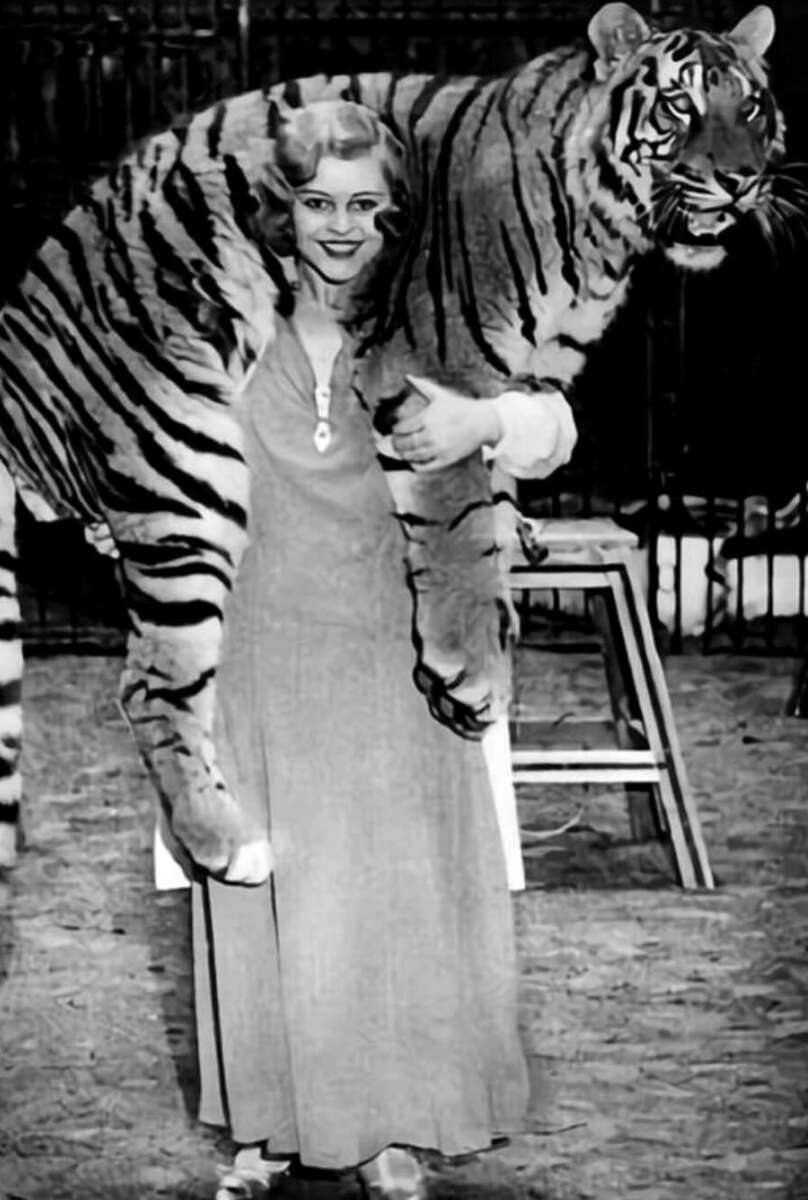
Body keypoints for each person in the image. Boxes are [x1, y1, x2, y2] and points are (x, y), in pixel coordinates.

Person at [171, 100, 577, 1200]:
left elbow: (556, 429)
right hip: (257, 652)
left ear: (397, 214)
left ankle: (391, 1121)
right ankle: (270, 1120)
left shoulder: (440, 317)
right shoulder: (223, 319)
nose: (340, 227)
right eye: (317, 203)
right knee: (265, 880)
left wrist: (483, 425)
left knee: (392, 891)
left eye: (365, 204)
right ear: (283, 210)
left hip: (394, 657)